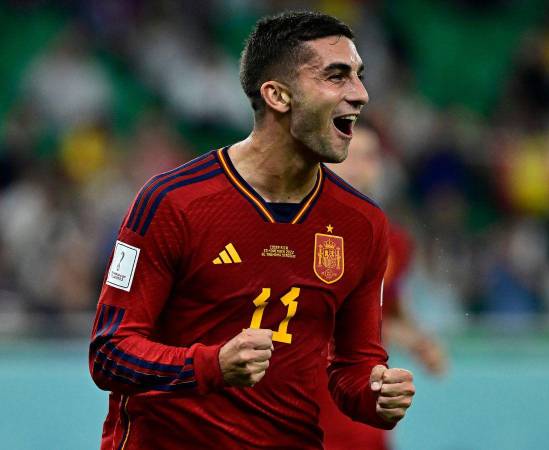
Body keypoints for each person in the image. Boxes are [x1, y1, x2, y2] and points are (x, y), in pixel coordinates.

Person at [89, 11, 415, 449]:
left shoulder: (362, 224)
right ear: (278, 95)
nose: (360, 94)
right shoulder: (172, 202)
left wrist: (377, 393)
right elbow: (109, 353)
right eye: (336, 76)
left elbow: (354, 369)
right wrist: (211, 365)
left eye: (358, 76)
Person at [317, 125, 447, 450]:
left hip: (360, 401)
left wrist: (419, 341)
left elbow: (387, 307)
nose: (360, 166)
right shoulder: (293, 232)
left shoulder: (395, 243)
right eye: (349, 155)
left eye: (370, 157)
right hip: (304, 397)